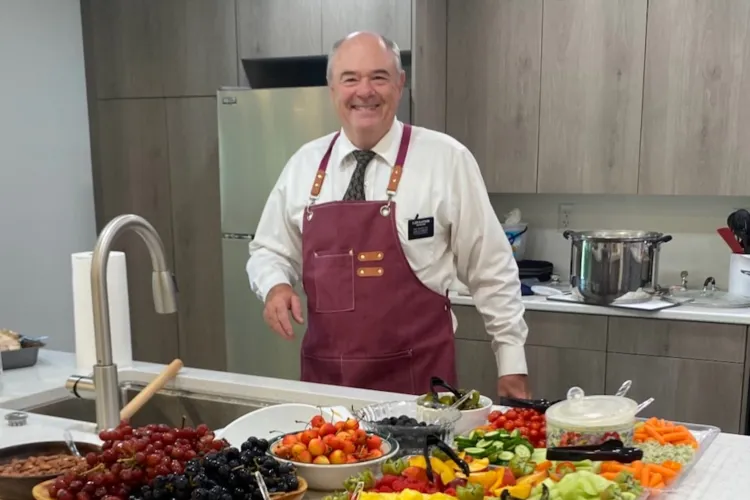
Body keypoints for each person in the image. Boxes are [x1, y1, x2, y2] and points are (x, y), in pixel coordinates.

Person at [246, 31, 530, 398]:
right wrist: (276, 286)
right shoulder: (303, 165)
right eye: (350, 78)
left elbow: (491, 268)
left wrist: (512, 364)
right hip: (327, 395)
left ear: (400, 84)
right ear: (332, 89)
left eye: (378, 77)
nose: (364, 91)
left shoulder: (446, 160)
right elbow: (268, 250)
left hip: (420, 390)